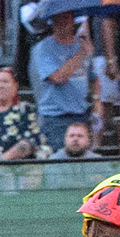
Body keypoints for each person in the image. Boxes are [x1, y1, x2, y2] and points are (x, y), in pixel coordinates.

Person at [29, 11, 95, 152]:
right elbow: (57, 77)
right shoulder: (43, 48)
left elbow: (93, 76)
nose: (61, 23)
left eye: (66, 19)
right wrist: (82, 53)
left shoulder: (82, 44)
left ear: (73, 21)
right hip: (55, 116)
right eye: (56, 20)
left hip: (81, 113)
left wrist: (97, 103)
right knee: (59, 159)